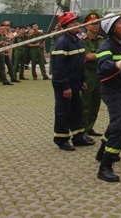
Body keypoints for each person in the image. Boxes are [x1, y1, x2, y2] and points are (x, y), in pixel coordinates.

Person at [95, 13, 121, 183]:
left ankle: (101, 151)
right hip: (110, 90)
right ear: (112, 29)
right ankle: (105, 166)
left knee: (119, 120)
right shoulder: (106, 46)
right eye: (120, 22)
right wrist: (115, 65)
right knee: (120, 126)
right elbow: (104, 66)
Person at [51, 12, 96, 151]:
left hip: (76, 83)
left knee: (77, 110)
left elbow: (80, 63)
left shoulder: (77, 41)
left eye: (77, 21)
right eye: (72, 23)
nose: (77, 24)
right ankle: (61, 139)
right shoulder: (62, 43)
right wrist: (65, 86)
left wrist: (82, 80)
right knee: (63, 111)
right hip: (65, 84)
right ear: (65, 26)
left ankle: (78, 136)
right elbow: (58, 68)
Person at [81, 13, 104, 137]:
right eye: (93, 24)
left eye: (97, 23)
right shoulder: (83, 41)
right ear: (86, 26)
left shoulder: (101, 39)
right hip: (88, 73)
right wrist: (101, 54)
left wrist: (96, 55)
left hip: (99, 74)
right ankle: (82, 129)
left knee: (96, 103)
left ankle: (90, 127)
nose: (96, 26)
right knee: (85, 103)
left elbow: (102, 54)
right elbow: (88, 56)